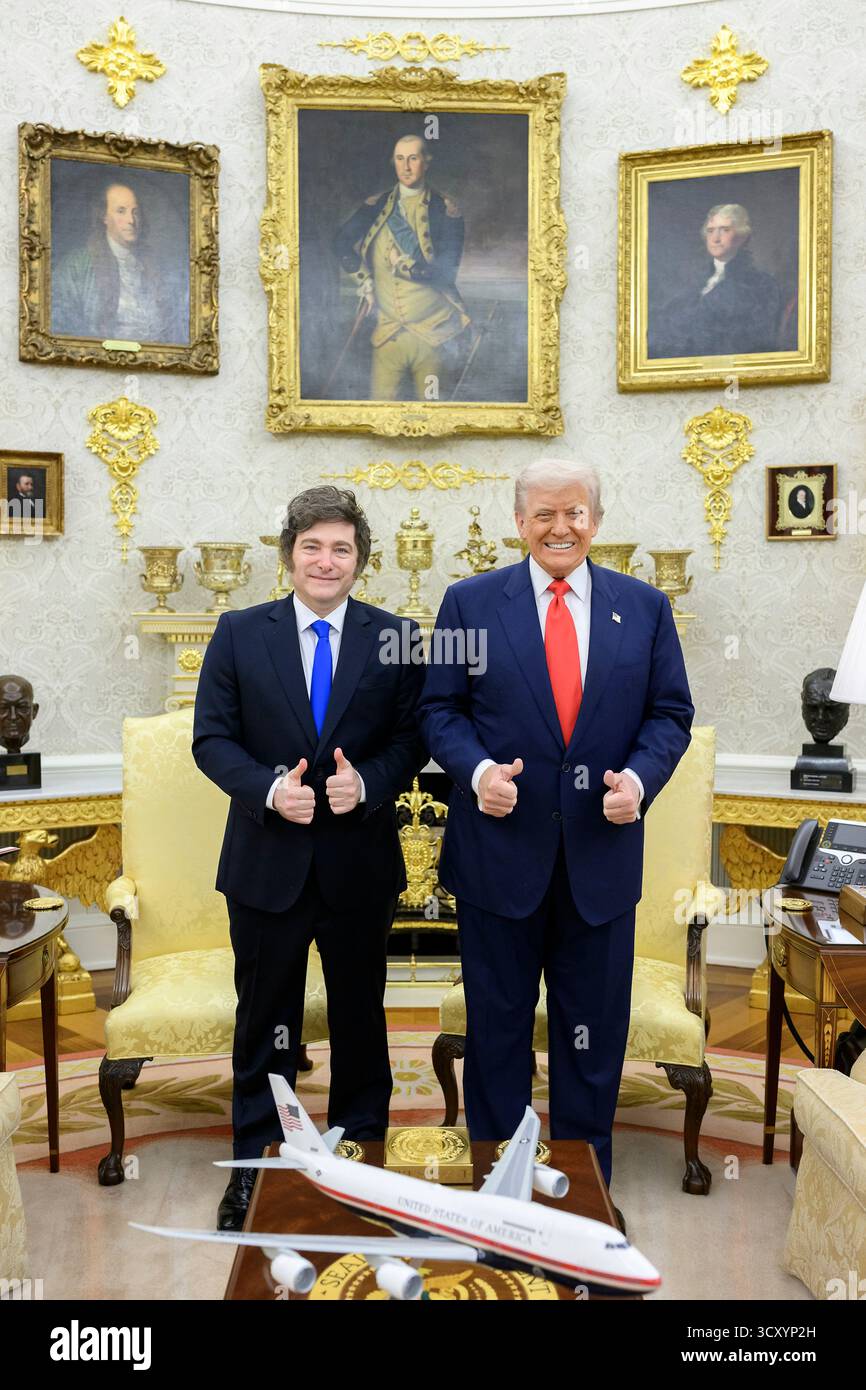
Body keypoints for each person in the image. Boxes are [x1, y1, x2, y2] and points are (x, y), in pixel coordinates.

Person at [418, 458, 694, 1190]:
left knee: (591, 1040)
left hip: (599, 865)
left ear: (596, 521)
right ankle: (499, 1187)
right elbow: (437, 711)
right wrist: (477, 775)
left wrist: (637, 781)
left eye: (574, 512)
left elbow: (671, 715)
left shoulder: (644, 608)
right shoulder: (468, 604)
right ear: (519, 524)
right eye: (543, 514)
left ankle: (583, 1187)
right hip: (497, 863)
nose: (559, 526)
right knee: (499, 1034)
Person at [192, 485, 426, 1229]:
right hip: (267, 863)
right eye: (313, 546)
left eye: (342, 549)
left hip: (359, 866)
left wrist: (373, 782)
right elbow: (211, 739)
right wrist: (266, 790)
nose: (327, 561)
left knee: (361, 1020)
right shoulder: (237, 632)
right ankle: (256, 1171)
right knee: (265, 1023)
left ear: (362, 560)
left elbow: (413, 740)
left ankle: (362, 1163)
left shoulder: (396, 637)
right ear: (289, 554)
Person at [332, 134, 471, 400]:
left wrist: (402, 264)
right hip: (386, 334)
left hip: (434, 334)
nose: (406, 167)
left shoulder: (447, 210)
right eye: (400, 159)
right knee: (379, 414)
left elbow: (445, 272)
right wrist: (365, 280)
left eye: (413, 158)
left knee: (433, 417)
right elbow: (340, 242)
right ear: (393, 162)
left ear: (426, 163)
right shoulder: (376, 206)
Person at [52, 180, 187, 343]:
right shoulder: (76, 266)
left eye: (135, 212)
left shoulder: (156, 266)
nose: (131, 220)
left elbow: (173, 324)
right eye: (121, 211)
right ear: (104, 217)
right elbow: (62, 326)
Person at [649, 202, 782, 359]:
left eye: (725, 230)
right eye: (710, 231)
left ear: (742, 236)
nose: (715, 238)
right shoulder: (695, 282)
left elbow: (757, 341)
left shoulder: (761, 284)